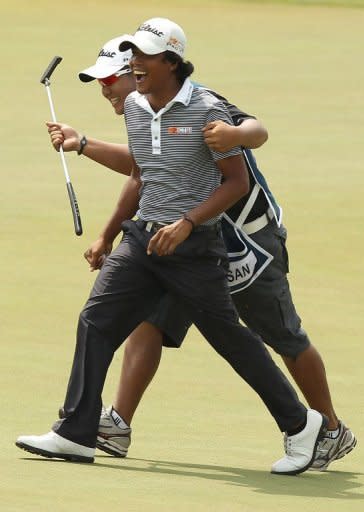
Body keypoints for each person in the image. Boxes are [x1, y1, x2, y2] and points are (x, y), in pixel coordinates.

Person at [15, 17, 328, 476]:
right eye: (133, 56)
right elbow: (143, 174)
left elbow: (237, 181)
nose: (135, 65)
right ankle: (76, 432)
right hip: (144, 237)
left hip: (197, 245)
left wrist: (187, 222)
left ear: (171, 61)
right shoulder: (139, 108)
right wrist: (111, 228)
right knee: (96, 320)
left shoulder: (205, 110)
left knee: (231, 339)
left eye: (143, 57)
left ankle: (302, 425)